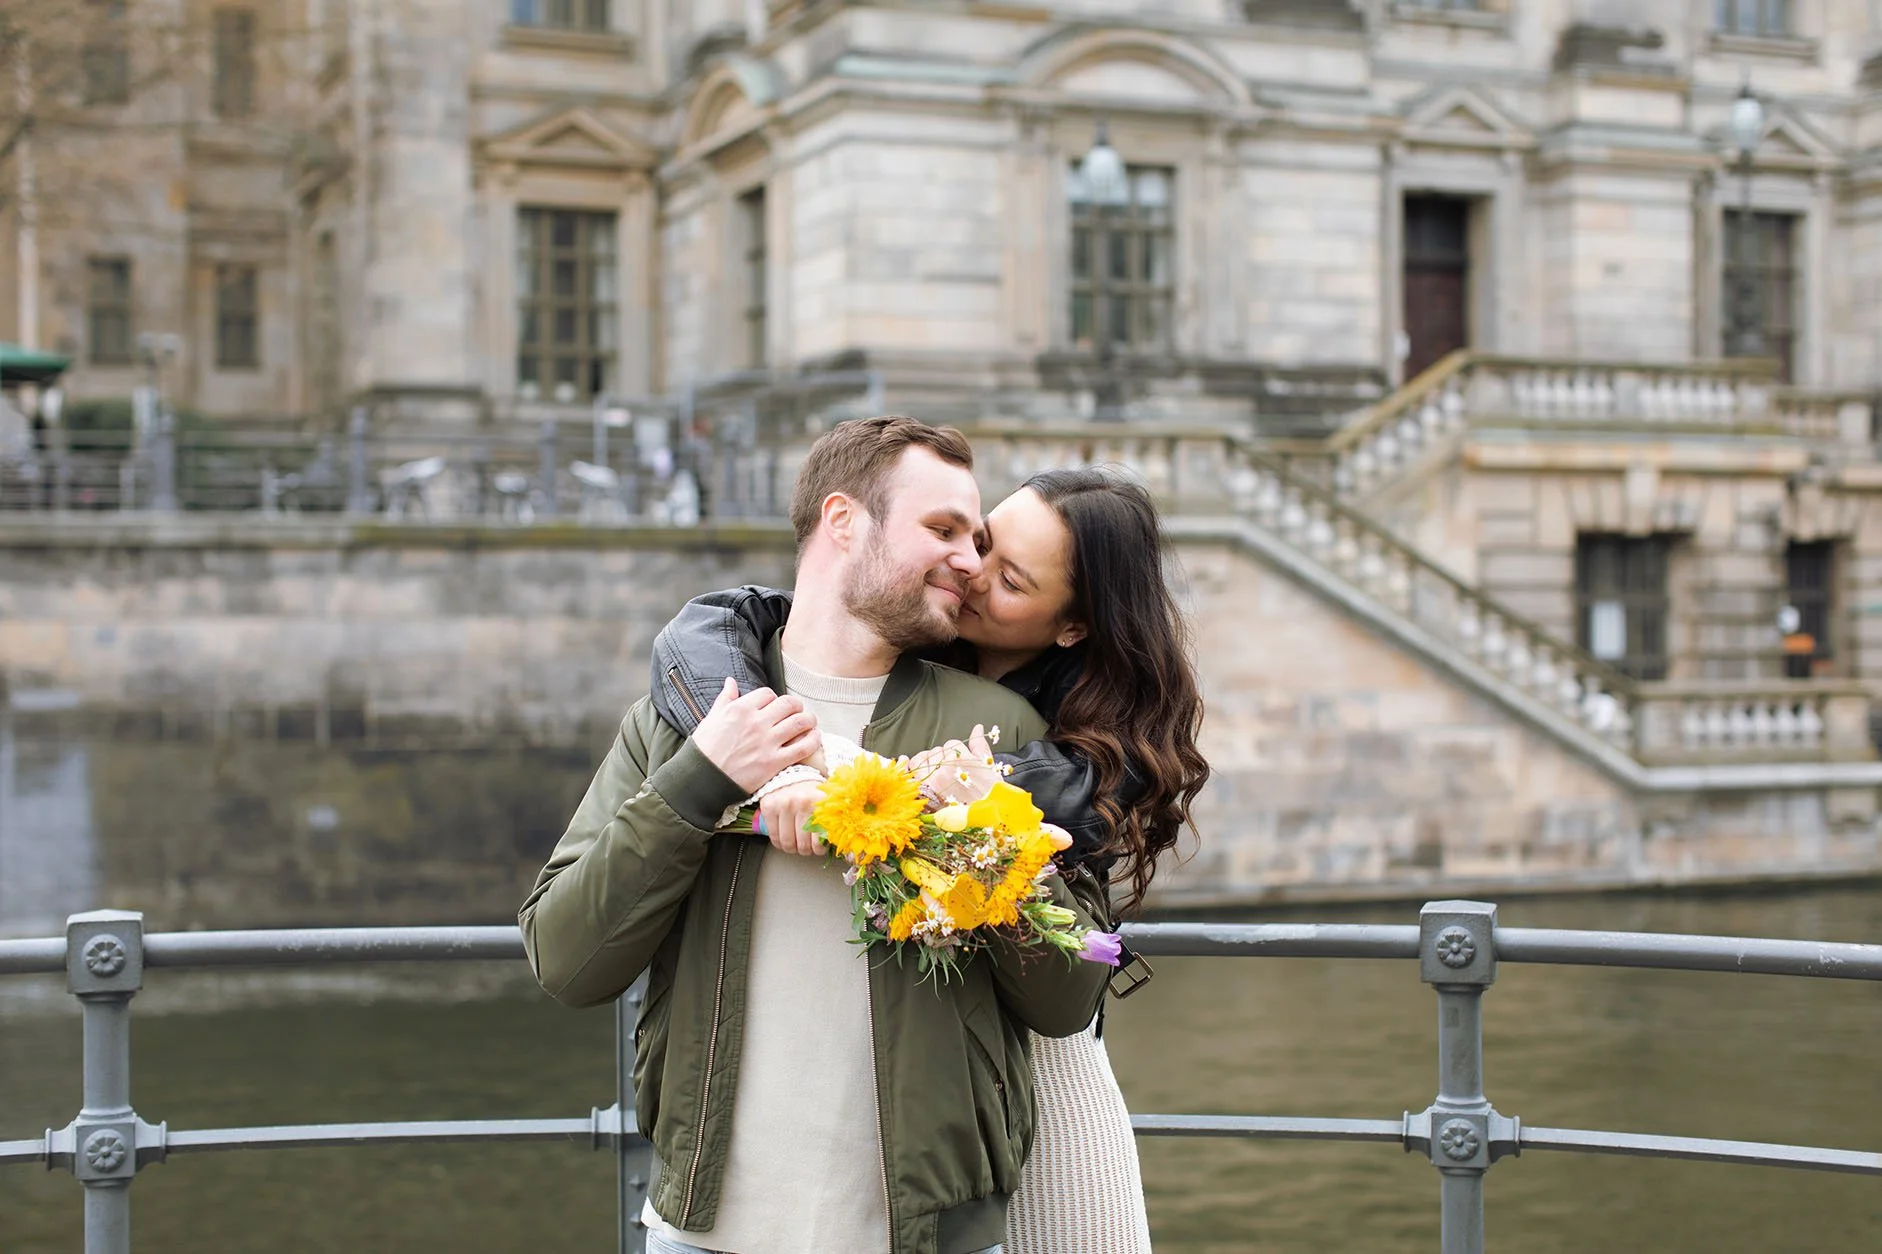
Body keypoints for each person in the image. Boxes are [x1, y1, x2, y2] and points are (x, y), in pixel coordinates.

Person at [520, 417, 1113, 1254]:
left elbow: (1067, 1000)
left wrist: (985, 831)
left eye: (978, 541)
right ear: (843, 520)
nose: (972, 563)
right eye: (943, 530)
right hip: (703, 1233)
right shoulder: (686, 716)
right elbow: (565, 957)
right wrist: (699, 782)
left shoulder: (1002, 732)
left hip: (930, 1237)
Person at [650, 466, 1210, 1254]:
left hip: (1040, 1068)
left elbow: (956, 810)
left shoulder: (1092, 756)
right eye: (979, 541)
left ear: (1072, 628)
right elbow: (704, 630)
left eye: (1010, 579)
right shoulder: (898, 636)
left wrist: (914, 788)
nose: (971, 572)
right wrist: (772, 753)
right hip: (912, 1085)